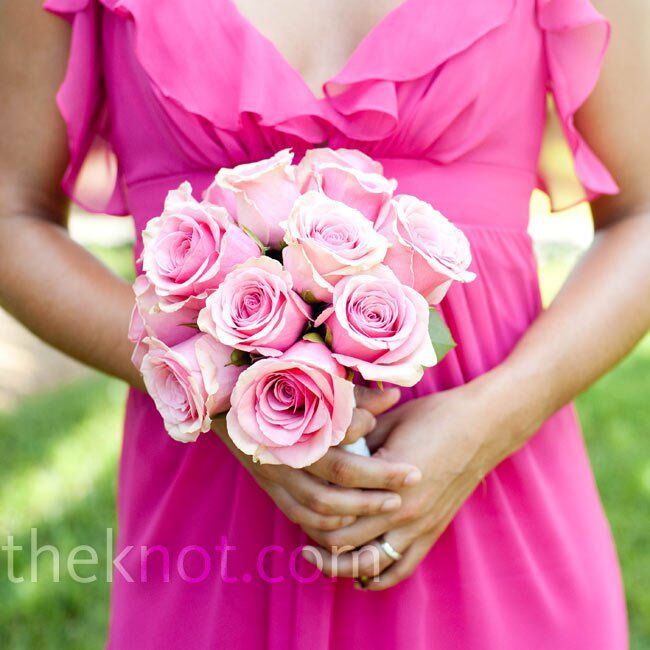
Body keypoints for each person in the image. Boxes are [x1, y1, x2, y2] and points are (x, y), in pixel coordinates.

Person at [1, 0, 648, 647]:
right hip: (215, 531)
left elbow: (642, 216)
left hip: (498, 510)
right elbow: (12, 217)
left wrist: (490, 421)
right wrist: (211, 389)